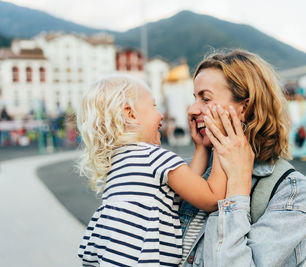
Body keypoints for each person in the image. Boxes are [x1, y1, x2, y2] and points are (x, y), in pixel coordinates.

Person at [179, 49, 306, 266]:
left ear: (245, 107)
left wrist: (237, 187)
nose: (192, 109)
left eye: (205, 98)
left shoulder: (291, 190)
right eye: (194, 98)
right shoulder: (191, 172)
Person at [77, 75, 228, 266]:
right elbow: (210, 197)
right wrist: (221, 142)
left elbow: (186, 189)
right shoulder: (154, 158)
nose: (161, 115)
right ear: (131, 114)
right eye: (154, 106)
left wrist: (201, 148)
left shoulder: (118, 164)